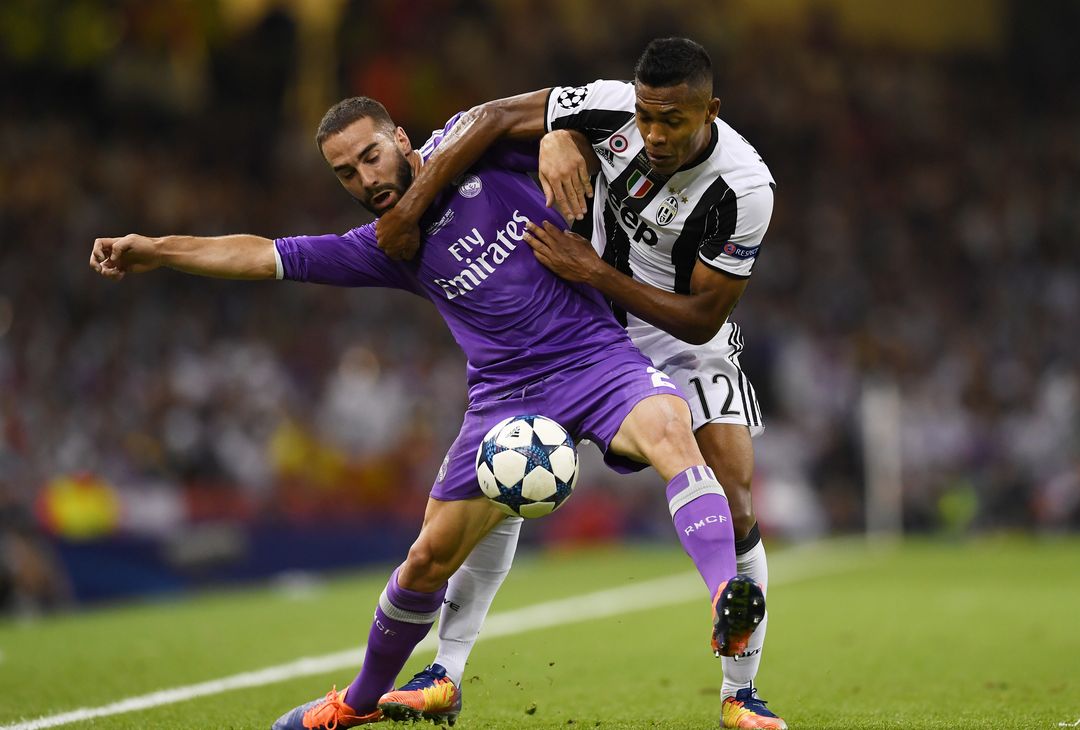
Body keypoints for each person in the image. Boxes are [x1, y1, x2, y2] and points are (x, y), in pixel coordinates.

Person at [89, 93, 764, 729]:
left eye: (371, 155)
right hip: (504, 400)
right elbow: (262, 253)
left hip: (597, 359)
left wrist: (561, 136)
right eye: (345, 172)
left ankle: (723, 600)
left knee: (673, 432)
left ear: (401, 139)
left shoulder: (478, 151)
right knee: (423, 561)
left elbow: (560, 117)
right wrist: (155, 249)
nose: (363, 177)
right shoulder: (385, 247)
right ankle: (355, 703)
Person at [376, 38, 784, 729]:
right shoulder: (610, 107)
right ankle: (444, 673)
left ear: (710, 111)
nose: (653, 135)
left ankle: (739, 695)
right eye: (647, 116)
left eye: (674, 122)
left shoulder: (743, 188)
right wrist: (552, 137)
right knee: (505, 477)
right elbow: (492, 116)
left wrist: (594, 270)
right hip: (581, 323)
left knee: (738, 497)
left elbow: (700, 317)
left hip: (680, 335)